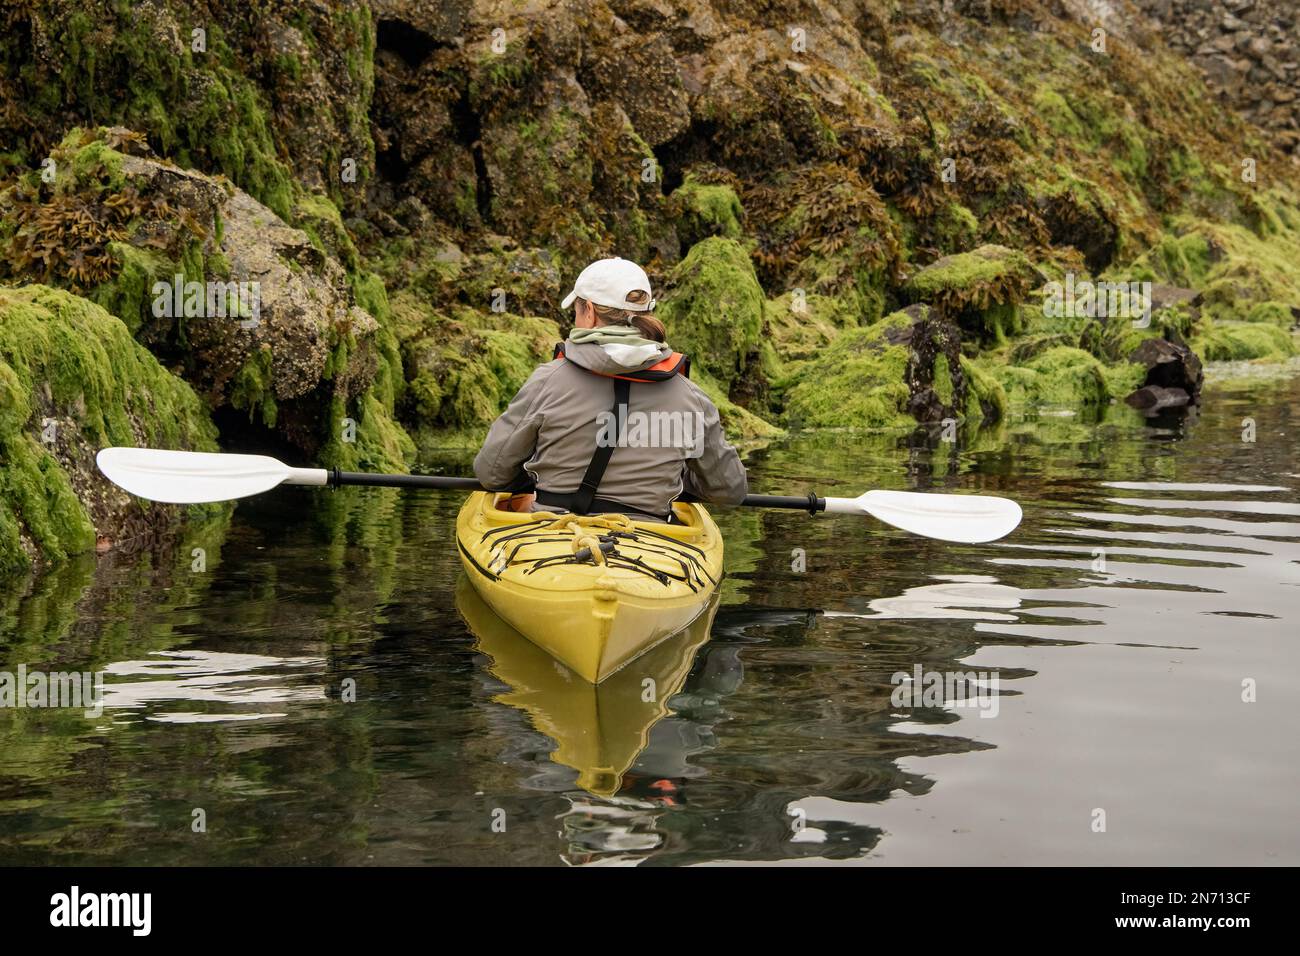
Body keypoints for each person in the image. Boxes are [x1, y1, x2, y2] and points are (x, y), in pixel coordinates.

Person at [473, 257, 747, 522]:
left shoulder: (548, 380)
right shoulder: (691, 397)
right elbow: (728, 491)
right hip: (650, 543)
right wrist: (678, 482)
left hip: (552, 531)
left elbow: (492, 472)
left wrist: (530, 482)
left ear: (589, 312)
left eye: (578, 311)